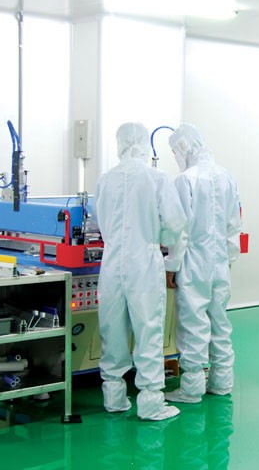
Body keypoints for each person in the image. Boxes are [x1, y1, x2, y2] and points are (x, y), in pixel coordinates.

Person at [94, 122, 186, 421]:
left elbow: (99, 221)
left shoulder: (105, 179)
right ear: (145, 144)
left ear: (119, 144)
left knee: (112, 329)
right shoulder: (157, 178)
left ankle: (114, 397)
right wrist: (165, 248)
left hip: (111, 262)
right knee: (148, 330)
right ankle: (150, 403)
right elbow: (174, 223)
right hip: (143, 261)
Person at [164, 123, 242, 404]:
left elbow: (179, 230)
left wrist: (171, 265)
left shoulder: (185, 180)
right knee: (219, 321)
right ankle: (221, 382)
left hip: (194, 262)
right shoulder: (227, 177)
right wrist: (228, 260)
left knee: (193, 323)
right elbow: (234, 225)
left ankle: (192, 388)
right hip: (220, 262)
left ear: (182, 148)